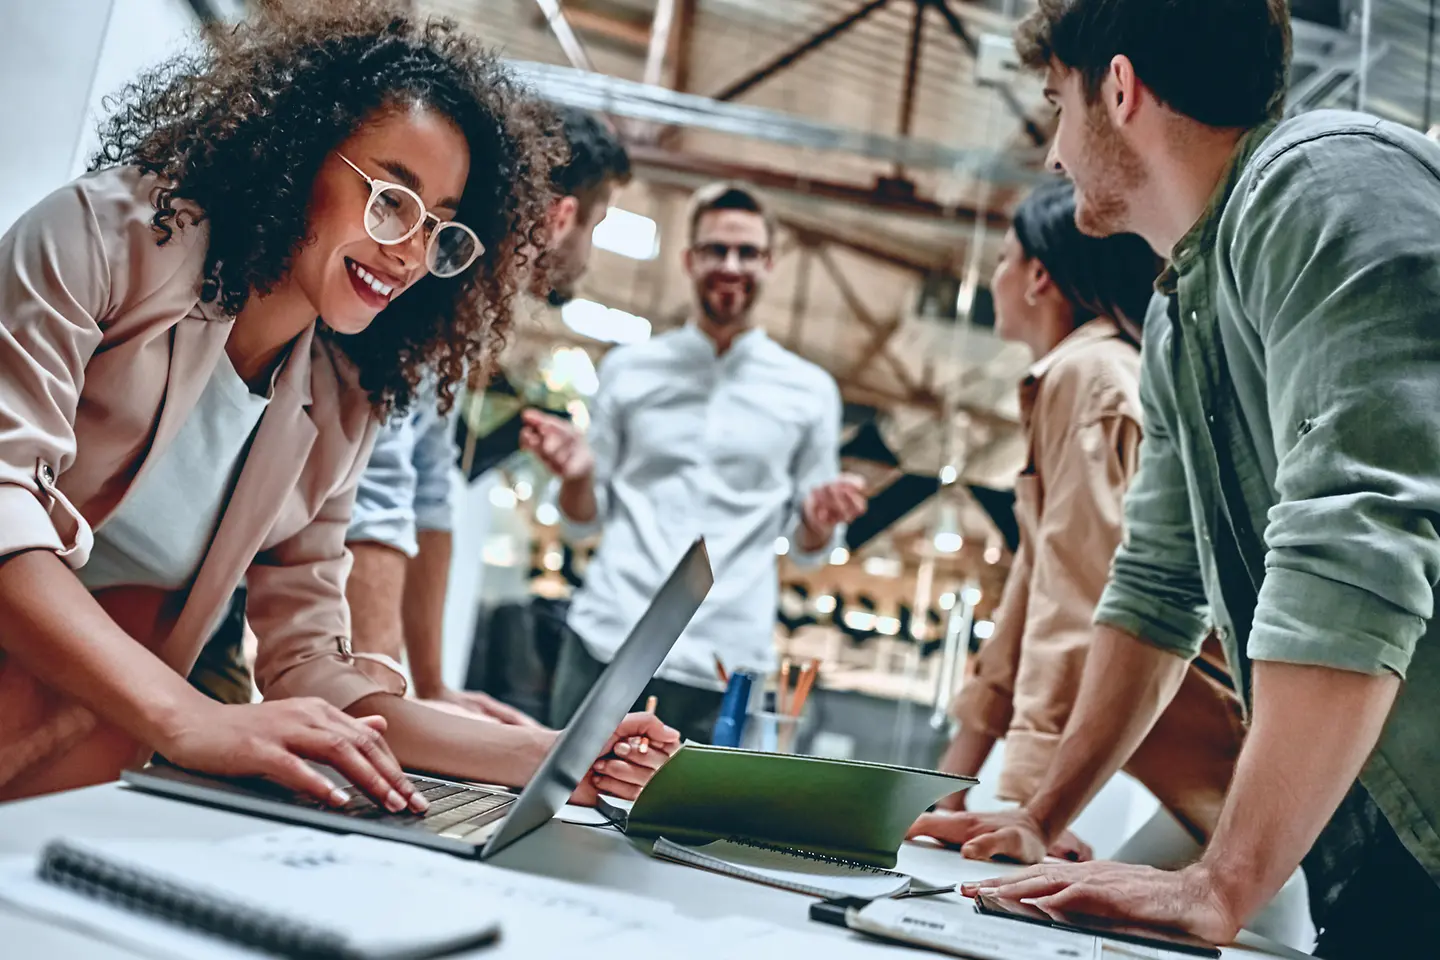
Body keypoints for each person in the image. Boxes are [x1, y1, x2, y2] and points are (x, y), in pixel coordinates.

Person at [0, 0, 675, 811]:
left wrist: (555, 755)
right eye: (391, 200)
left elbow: (313, 665)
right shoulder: (104, 238)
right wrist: (191, 717)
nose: (410, 253)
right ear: (297, 154)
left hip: (70, 755)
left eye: (440, 229)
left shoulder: (343, 399)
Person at [919, 2, 1440, 956]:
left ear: (1118, 90)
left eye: (1057, 106)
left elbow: (1354, 545)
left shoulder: (1327, 184)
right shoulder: (1177, 314)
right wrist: (1039, 815)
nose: (1053, 156)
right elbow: (1156, 585)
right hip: (1386, 845)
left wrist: (1222, 881)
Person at [921, 180, 1247, 859]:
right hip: (1171, 761)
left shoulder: (1089, 376)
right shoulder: (1082, 375)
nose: (996, 277)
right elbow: (1027, 602)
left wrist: (1035, 808)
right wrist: (947, 786)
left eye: (1003, 259)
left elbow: (1079, 596)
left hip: (1201, 762)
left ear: (1039, 276)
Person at [304, 106, 627, 724]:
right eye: (598, 225)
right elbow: (379, 487)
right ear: (562, 217)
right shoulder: (421, 287)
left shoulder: (466, 310)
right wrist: (385, 704)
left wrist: (431, 687)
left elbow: (430, 487)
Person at [521, 183, 869, 743]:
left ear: (769, 263)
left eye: (747, 252)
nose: (731, 265)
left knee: (700, 806)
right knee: (564, 793)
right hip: (610, 638)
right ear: (688, 260)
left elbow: (810, 551)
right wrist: (579, 477)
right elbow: (582, 520)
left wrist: (818, 520)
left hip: (727, 660)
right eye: (715, 250)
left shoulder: (811, 393)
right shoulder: (629, 370)